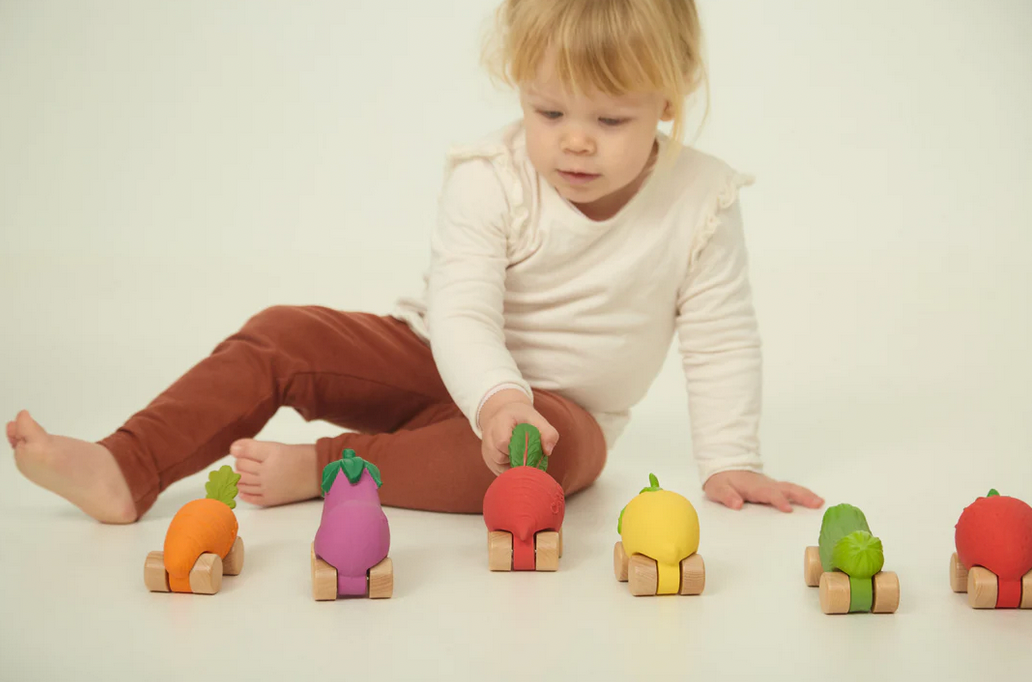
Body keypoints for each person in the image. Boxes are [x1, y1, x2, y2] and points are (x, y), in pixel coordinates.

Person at [8, 0, 823, 524]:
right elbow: (463, 310)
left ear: (669, 100)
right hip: (440, 363)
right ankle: (128, 463)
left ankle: (330, 472)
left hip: (561, 413)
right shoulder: (490, 179)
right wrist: (494, 395)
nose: (575, 139)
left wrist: (731, 461)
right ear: (519, 91)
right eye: (548, 110)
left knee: (546, 466)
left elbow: (721, 335)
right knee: (281, 333)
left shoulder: (702, 200)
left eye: (611, 119)